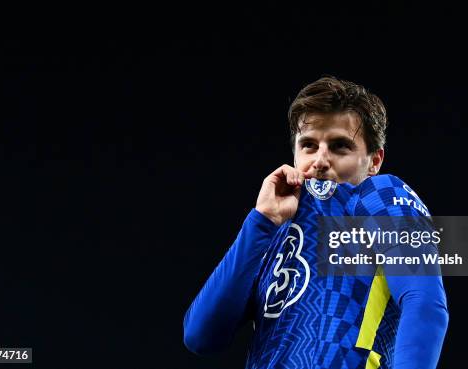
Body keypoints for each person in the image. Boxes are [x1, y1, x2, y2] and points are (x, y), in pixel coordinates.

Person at [183, 76, 449, 369]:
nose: (320, 160)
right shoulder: (273, 233)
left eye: (339, 146)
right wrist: (262, 221)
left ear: (374, 161)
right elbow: (201, 336)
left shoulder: (381, 195)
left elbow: (425, 304)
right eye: (309, 145)